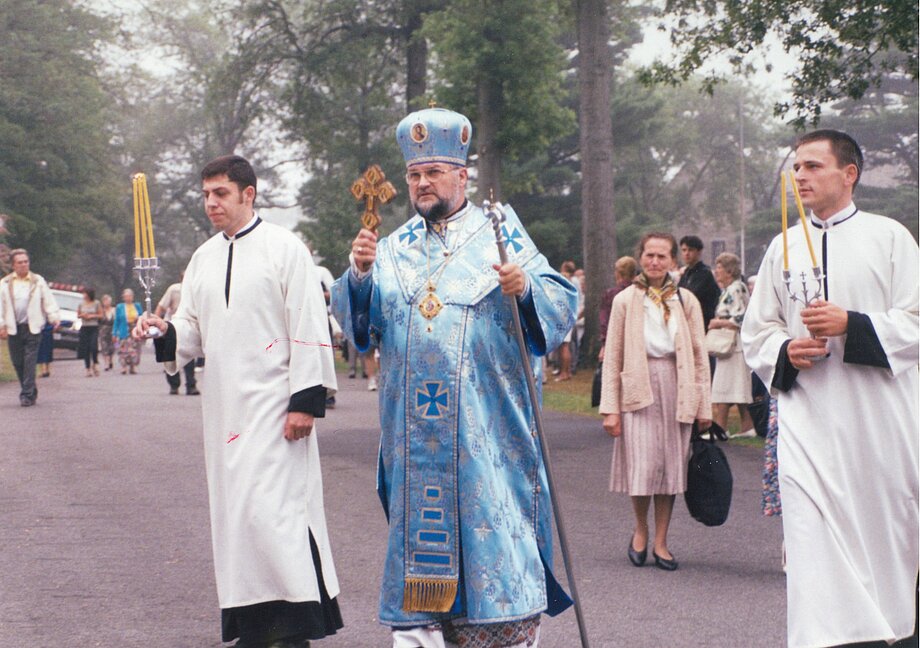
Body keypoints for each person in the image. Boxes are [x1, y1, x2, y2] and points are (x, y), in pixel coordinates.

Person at [331, 107, 578, 648]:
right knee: (423, 582)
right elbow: (362, 331)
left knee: (494, 548)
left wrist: (526, 289)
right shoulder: (390, 250)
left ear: (462, 176)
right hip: (414, 436)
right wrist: (359, 275)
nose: (422, 183)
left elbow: (559, 306)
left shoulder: (500, 233)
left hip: (488, 433)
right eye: (415, 175)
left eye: (434, 173)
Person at [135, 155, 341, 648]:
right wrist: (166, 331)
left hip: (277, 413)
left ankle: (292, 632)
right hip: (225, 415)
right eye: (206, 194)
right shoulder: (203, 258)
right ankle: (255, 631)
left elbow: (309, 324)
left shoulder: (285, 249)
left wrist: (305, 401)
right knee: (239, 522)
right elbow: (192, 329)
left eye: (221, 193)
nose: (211, 203)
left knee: (276, 517)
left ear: (249, 194)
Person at [741, 129, 918, 648]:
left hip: (879, 430)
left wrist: (853, 324)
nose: (801, 176)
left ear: (850, 174)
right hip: (808, 427)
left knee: (884, 553)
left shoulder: (890, 239)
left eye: (814, 166)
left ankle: (892, 634)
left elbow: (915, 321)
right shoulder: (783, 245)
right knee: (811, 551)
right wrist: (784, 351)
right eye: (797, 167)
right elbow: (758, 329)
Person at [599, 232, 711, 571]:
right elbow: (613, 355)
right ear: (640, 258)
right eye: (649, 255)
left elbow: (698, 354)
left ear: (673, 261)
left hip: (676, 385)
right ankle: (640, 528)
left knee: (669, 467)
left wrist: (703, 405)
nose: (655, 262)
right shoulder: (625, 300)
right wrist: (610, 409)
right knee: (643, 465)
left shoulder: (686, 301)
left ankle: (661, 540)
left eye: (662, 256)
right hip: (638, 385)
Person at [0, 248, 60, 406]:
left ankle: (26, 395)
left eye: (26, 262)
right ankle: (30, 389)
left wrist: (54, 317)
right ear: (13, 265)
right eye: (20, 262)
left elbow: (48, 300)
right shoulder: (5, 283)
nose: (24, 265)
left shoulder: (38, 281)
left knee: (30, 361)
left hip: (33, 327)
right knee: (18, 362)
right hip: (14, 328)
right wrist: (1, 325)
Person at [708, 252, 755, 438]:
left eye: (719, 268)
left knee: (725, 385)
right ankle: (747, 426)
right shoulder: (728, 289)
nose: (716, 271)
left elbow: (741, 316)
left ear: (729, 270)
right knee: (735, 386)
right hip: (728, 346)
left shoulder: (736, 288)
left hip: (734, 345)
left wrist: (718, 323)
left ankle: (719, 427)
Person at [155, 275, 199, 395]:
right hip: (172, 324)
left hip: (188, 325)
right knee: (169, 356)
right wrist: (155, 322)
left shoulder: (195, 289)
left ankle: (191, 385)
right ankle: (174, 385)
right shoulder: (174, 289)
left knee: (189, 357)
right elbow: (161, 306)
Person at [597, 256, 637, 361]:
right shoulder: (639, 293)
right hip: (636, 341)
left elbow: (604, 321)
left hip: (615, 340)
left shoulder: (611, 294)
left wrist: (604, 344)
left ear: (618, 273)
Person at [677, 235, 720, 330]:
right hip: (688, 321)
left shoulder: (704, 273)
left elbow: (691, 295)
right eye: (684, 250)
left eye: (690, 250)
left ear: (699, 252)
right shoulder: (686, 273)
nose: (687, 253)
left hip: (702, 322)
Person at [554, 260, 577, 381]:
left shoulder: (562, 292)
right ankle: (567, 372)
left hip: (564, 320)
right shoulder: (571, 291)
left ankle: (564, 372)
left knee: (564, 347)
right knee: (565, 346)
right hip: (569, 319)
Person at [113, 288, 143, 374]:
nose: (128, 298)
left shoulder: (137, 306)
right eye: (126, 296)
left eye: (130, 296)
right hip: (124, 329)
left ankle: (132, 367)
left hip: (134, 329)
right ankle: (124, 367)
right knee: (123, 349)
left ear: (132, 297)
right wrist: (114, 333)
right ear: (123, 297)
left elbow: (141, 317)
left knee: (134, 349)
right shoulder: (120, 307)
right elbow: (117, 320)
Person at [77, 288, 102, 377]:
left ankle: (95, 363)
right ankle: (87, 368)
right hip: (84, 327)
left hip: (93, 327)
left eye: (85, 293)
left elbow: (100, 315)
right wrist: (82, 315)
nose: (84, 295)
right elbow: (78, 315)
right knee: (86, 348)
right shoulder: (81, 303)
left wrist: (92, 316)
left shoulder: (96, 303)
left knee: (93, 346)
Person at [98, 294, 115, 371]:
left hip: (112, 329)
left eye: (108, 301)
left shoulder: (114, 310)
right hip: (103, 330)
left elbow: (116, 320)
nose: (106, 302)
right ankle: (106, 363)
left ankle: (110, 360)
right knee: (104, 347)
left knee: (111, 347)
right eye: (105, 301)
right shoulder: (101, 310)